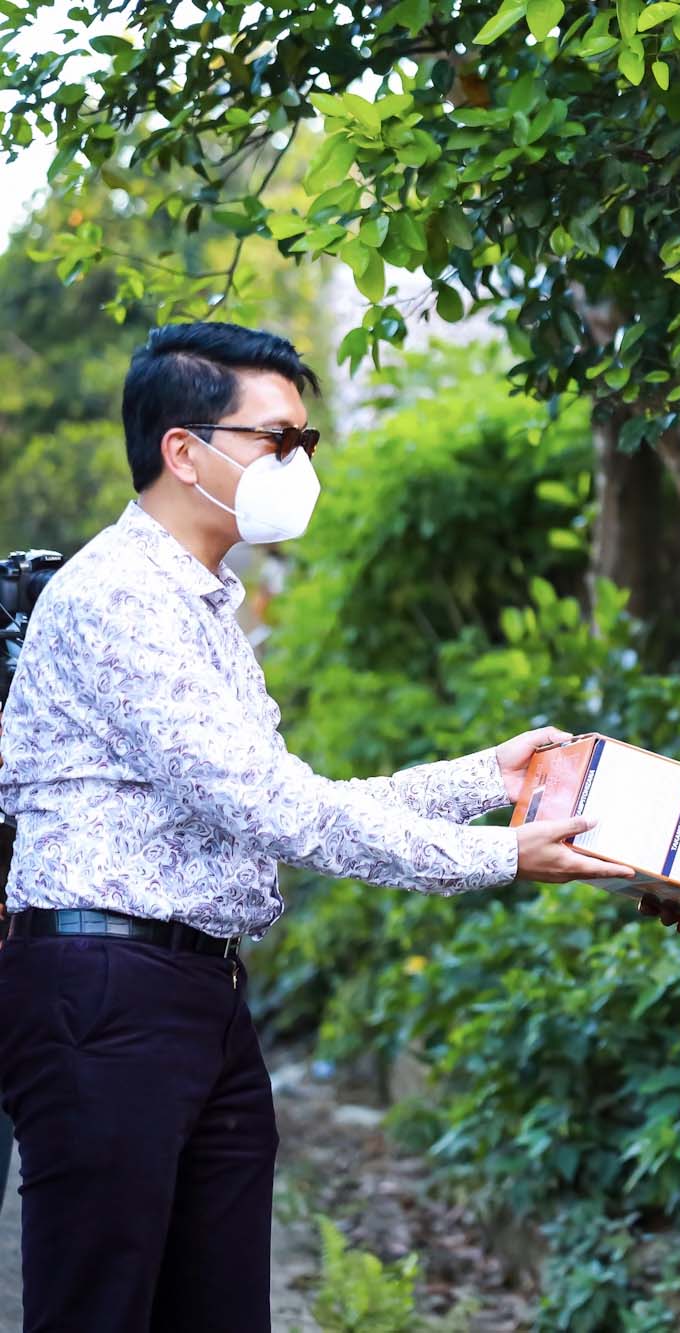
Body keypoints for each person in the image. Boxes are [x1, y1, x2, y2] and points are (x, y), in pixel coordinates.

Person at [0, 321, 630, 1332]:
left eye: (307, 442)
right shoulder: (120, 596)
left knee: (218, 1308)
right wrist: (498, 854)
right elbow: (278, 809)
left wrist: (485, 776)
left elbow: (278, 791)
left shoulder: (201, 604)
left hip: (195, 986)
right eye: (277, 440)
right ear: (183, 449)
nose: (298, 463)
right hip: (107, 994)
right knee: (99, 1308)